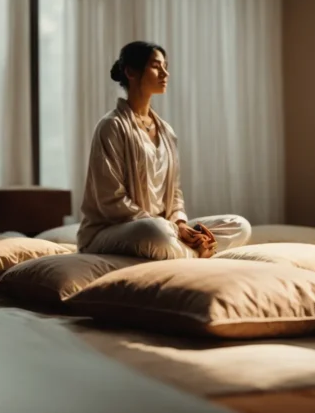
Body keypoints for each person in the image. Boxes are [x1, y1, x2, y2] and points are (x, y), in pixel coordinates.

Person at [77, 41, 252, 260]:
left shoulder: (166, 131)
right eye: (156, 66)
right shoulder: (111, 126)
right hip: (117, 230)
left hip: (168, 228)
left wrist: (179, 222)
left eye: (165, 66)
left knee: (238, 225)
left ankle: (186, 249)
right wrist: (172, 228)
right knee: (155, 232)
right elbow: (111, 201)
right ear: (131, 71)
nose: (165, 73)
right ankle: (197, 251)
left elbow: (175, 193)